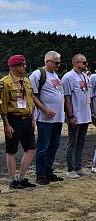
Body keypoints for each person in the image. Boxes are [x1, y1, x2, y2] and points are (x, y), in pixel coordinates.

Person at [0, 55, 37, 189]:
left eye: (25, 64)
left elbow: (30, 102)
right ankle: (12, 180)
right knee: (12, 151)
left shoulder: (26, 81)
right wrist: (6, 124)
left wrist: (33, 119)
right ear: (13, 67)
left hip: (27, 119)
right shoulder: (5, 82)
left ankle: (22, 178)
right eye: (22, 65)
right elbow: (3, 106)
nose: (25, 67)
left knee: (31, 149)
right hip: (13, 119)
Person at [30, 51, 65, 185]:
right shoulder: (38, 74)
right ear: (47, 61)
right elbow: (32, 95)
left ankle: (49, 172)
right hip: (45, 119)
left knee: (54, 146)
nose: (58, 65)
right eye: (56, 62)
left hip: (57, 118)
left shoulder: (56, 75)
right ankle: (40, 174)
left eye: (59, 62)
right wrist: (44, 109)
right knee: (43, 147)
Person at [62, 54, 92, 179]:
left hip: (85, 114)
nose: (86, 64)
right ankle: (70, 169)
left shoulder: (85, 76)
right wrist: (70, 115)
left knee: (81, 142)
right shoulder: (68, 77)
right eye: (83, 62)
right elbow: (67, 97)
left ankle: (78, 167)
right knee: (72, 142)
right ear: (75, 63)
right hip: (75, 115)